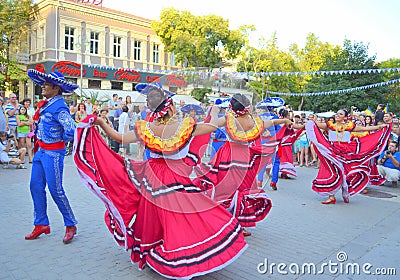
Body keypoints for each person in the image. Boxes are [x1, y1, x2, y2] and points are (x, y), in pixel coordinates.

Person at [73, 84, 247, 279]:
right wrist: (213, 112)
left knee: (154, 215)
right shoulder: (186, 127)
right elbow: (213, 126)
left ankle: (154, 245)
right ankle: (182, 249)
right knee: (181, 215)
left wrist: (100, 123)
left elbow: (119, 138)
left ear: (151, 108)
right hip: (174, 178)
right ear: (171, 106)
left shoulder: (146, 128)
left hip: (151, 176)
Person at [196, 93, 291, 235]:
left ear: (232, 107)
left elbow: (211, 125)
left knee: (224, 188)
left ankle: (222, 221)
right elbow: (271, 123)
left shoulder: (228, 119)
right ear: (248, 107)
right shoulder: (255, 121)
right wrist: (284, 120)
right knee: (242, 189)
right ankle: (241, 224)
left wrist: (214, 112)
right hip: (246, 157)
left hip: (228, 155)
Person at [24, 70, 78, 244]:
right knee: (35, 186)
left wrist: (60, 141)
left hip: (53, 153)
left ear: (56, 88)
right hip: (41, 152)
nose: (43, 86)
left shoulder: (59, 107)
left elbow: (71, 130)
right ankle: (41, 223)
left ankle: (70, 224)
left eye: (46, 84)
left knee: (56, 190)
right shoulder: (47, 104)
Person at [306, 108, 391, 204]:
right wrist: (309, 120)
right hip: (332, 152)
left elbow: (364, 129)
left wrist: (381, 127)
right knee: (332, 172)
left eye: (340, 114)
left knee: (345, 173)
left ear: (345, 117)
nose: (337, 115)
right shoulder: (329, 125)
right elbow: (314, 125)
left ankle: (345, 193)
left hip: (345, 152)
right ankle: (331, 196)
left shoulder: (350, 126)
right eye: (337, 114)